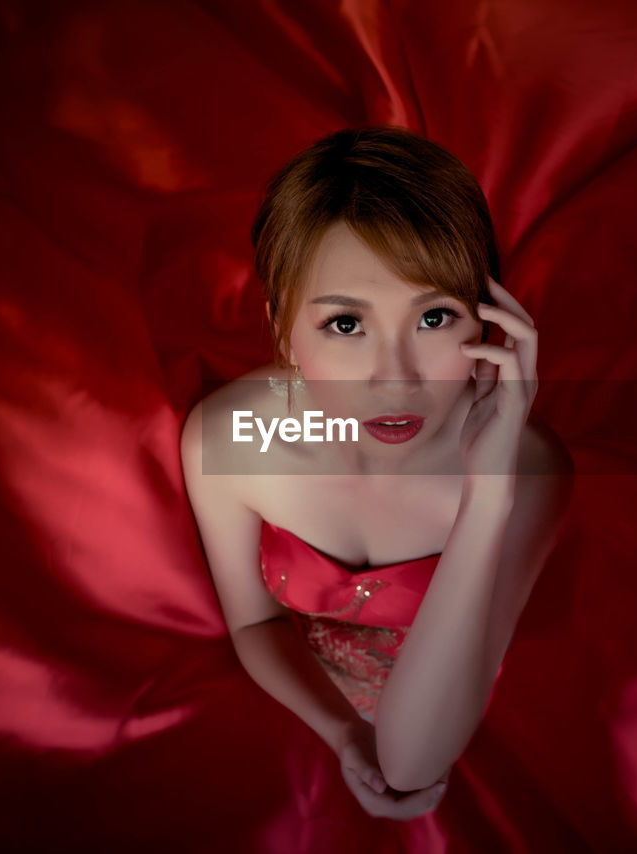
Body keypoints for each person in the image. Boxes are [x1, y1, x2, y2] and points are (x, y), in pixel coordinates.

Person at [180, 126, 572, 822]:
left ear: (488, 323)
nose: (396, 379)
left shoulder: (531, 470)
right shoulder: (229, 439)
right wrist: (341, 734)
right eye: (345, 326)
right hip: (296, 709)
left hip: (463, 710)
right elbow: (256, 627)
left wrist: (486, 499)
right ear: (284, 331)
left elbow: (416, 762)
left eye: (435, 316)